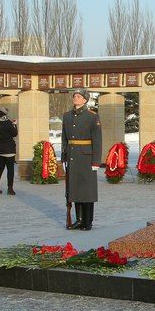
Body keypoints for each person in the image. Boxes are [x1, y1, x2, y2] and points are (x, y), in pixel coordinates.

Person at [61, 88, 101, 230]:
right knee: (75, 189)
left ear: (85, 99)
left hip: (86, 158)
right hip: (72, 157)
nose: (75, 98)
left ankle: (87, 221)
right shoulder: (67, 116)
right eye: (74, 96)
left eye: (78, 96)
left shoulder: (92, 116)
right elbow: (64, 139)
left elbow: (97, 140)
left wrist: (96, 161)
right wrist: (64, 157)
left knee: (87, 190)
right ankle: (79, 219)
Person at [0, 106, 18, 195]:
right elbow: (14, 133)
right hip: (9, 148)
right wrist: (14, 124)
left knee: (0, 167)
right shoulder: (7, 122)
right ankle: (10, 188)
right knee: (10, 169)